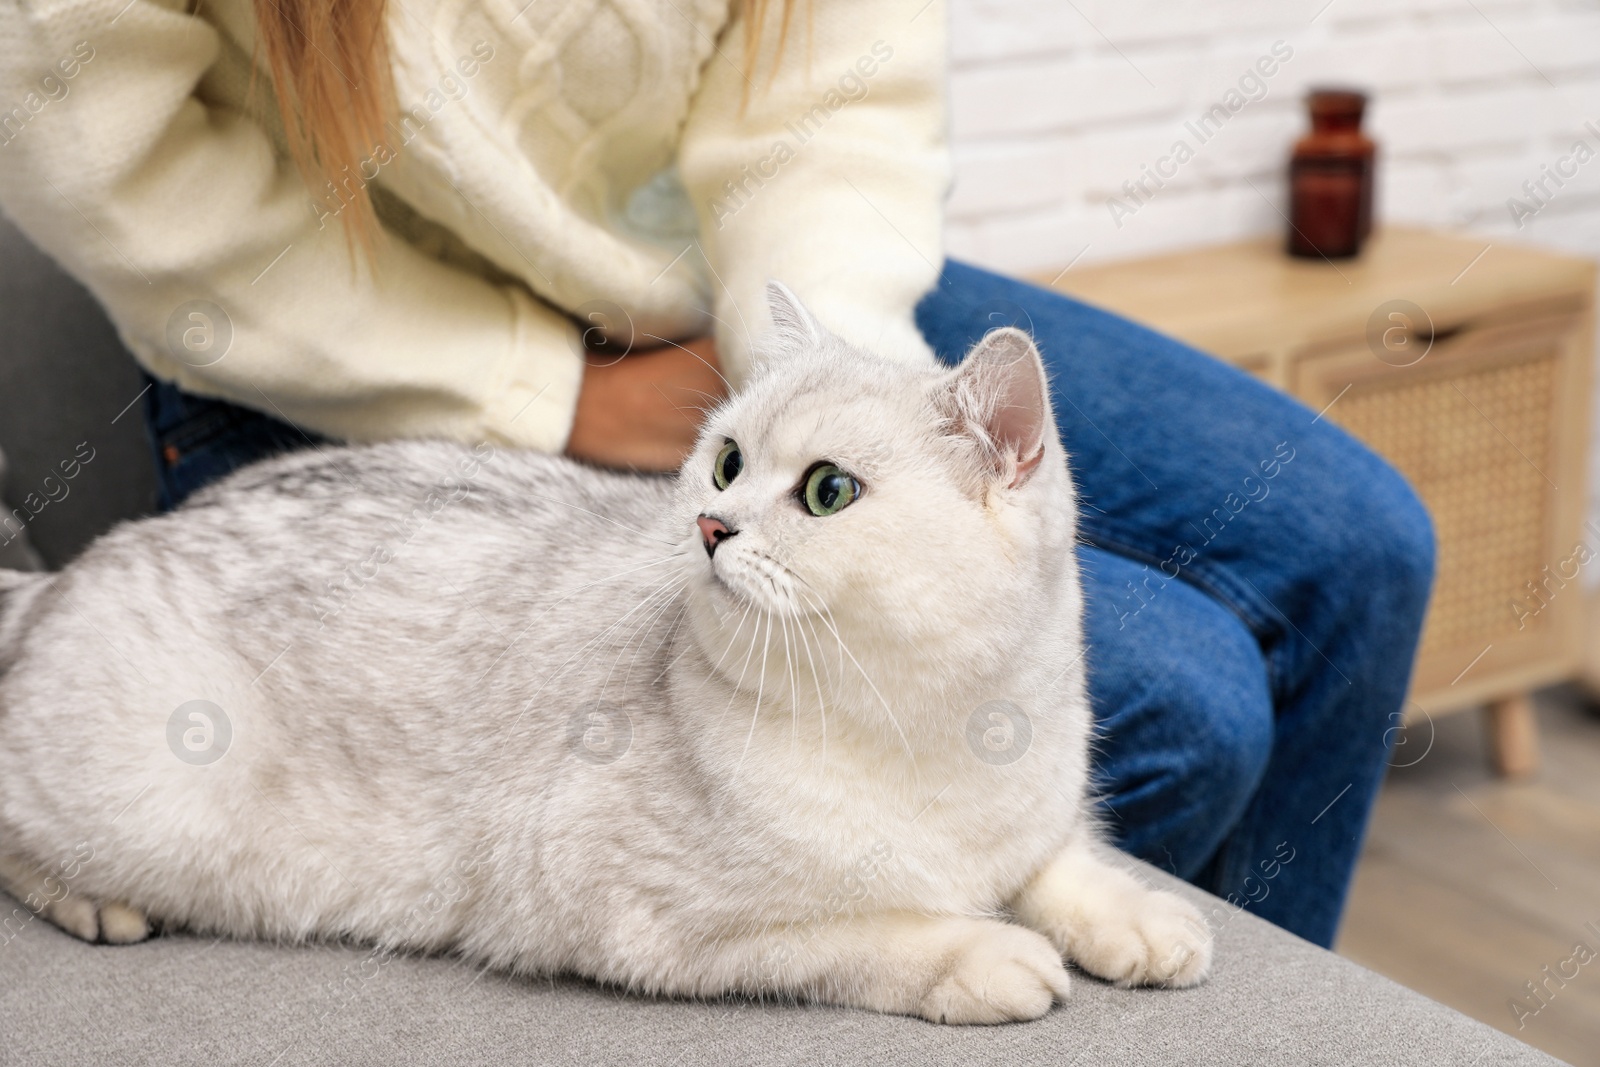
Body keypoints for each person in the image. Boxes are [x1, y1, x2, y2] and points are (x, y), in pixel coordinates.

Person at [0, 0, 1432, 949]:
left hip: (747, 302)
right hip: (328, 316)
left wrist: (840, 407)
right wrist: (545, 391)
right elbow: (106, 161)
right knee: (1184, 703)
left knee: (1362, 547)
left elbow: (835, 96)